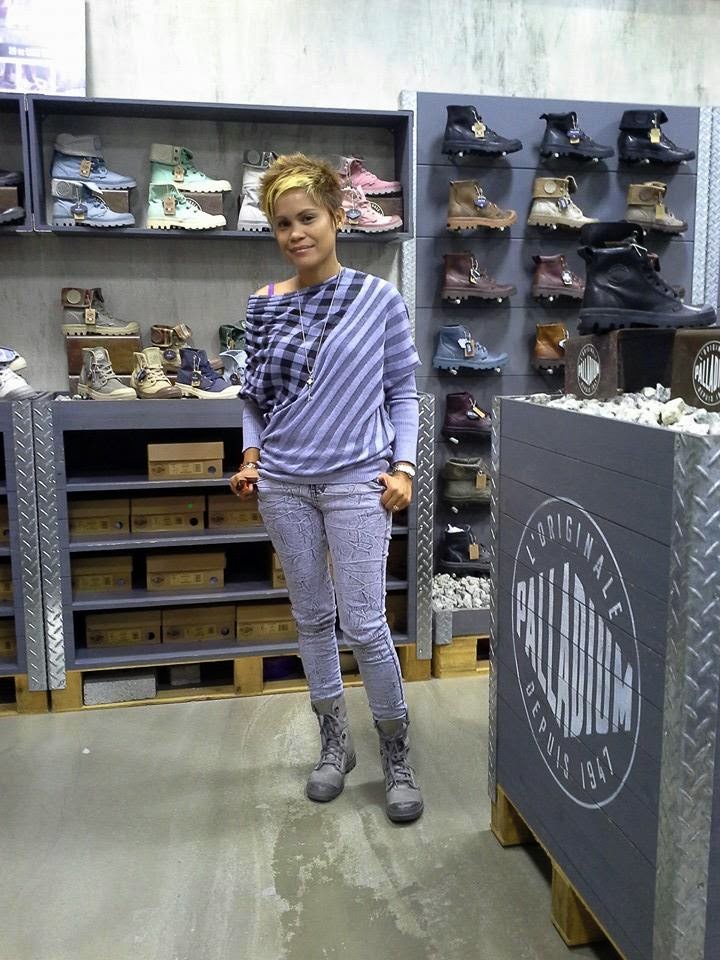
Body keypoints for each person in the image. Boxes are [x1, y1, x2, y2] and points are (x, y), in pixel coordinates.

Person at [229, 153, 423, 823]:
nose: (295, 233)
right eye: (282, 224)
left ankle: (395, 751)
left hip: (356, 481)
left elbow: (402, 392)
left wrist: (404, 468)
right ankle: (335, 745)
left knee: (364, 622)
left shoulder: (379, 300)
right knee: (312, 618)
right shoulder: (263, 305)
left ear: (338, 217)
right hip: (283, 484)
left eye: (307, 217)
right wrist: (251, 456)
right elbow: (254, 399)